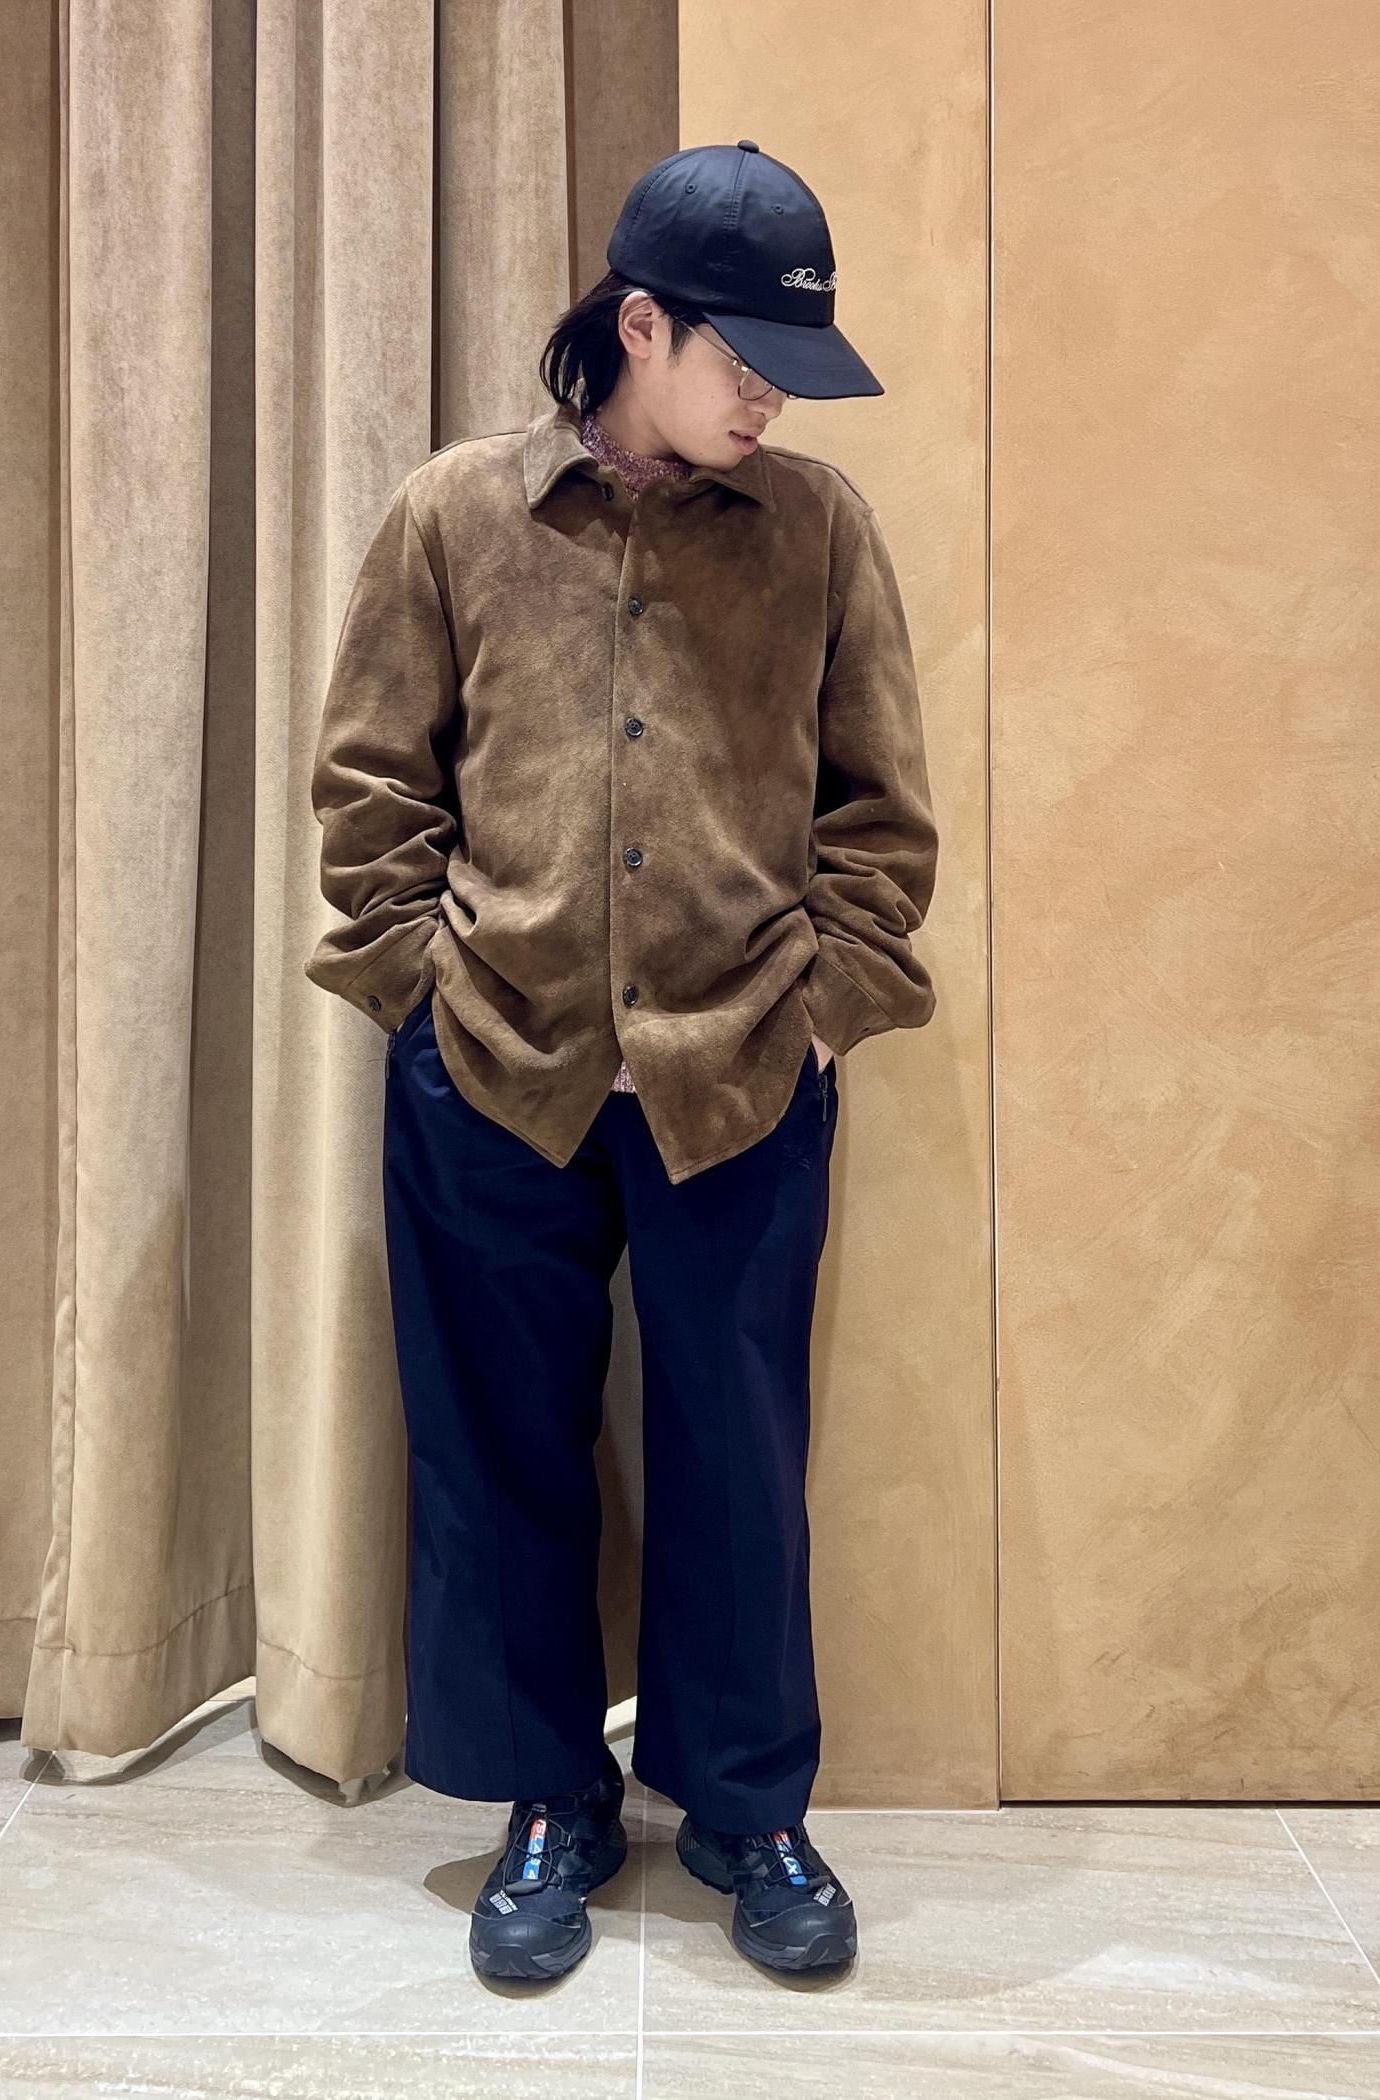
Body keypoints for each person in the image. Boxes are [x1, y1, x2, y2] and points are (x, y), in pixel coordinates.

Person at [305, 140, 940, 1984]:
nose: (770, 402)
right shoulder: (455, 515)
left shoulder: (820, 530)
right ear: (639, 326)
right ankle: (550, 1802)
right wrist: (420, 988)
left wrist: (820, 1011)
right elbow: (369, 784)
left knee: (739, 1453)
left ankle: (747, 1810)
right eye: (745, 359)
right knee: (498, 1449)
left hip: (741, 1068)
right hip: (493, 1067)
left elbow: (882, 816)